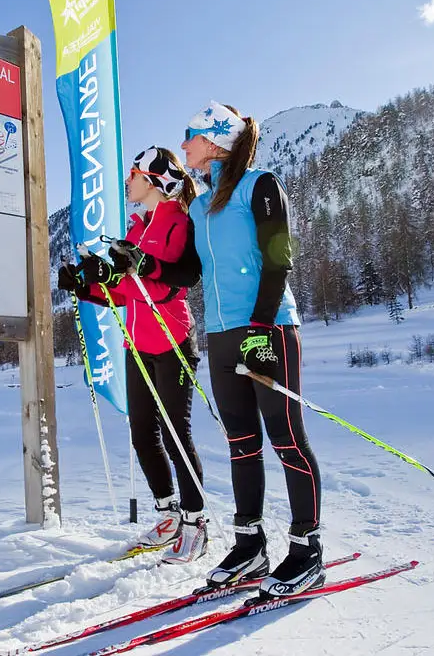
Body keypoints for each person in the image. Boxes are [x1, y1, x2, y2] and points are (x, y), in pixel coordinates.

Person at [178, 101, 325, 597]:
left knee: (286, 438)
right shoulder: (201, 204)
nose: (184, 147)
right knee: (241, 442)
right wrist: (132, 267)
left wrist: (261, 328)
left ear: (216, 138)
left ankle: (307, 551)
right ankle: (249, 546)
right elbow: (192, 273)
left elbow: (279, 257)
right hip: (219, 336)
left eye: (190, 136)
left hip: (269, 328)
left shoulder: (259, 185)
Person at [57, 146, 207, 564]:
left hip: (172, 338)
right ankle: (167, 515)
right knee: (143, 434)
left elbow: (169, 287)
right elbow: (125, 293)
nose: (128, 181)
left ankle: (196, 524)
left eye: (135, 174)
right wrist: (86, 286)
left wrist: (140, 268)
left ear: (155, 181)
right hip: (136, 344)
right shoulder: (136, 226)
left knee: (178, 435)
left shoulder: (180, 222)